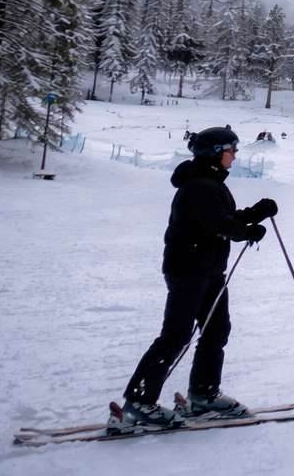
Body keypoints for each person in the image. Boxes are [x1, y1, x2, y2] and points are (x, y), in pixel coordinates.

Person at [113, 126, 274, 432]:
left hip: (209, 270)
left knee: (216, 331)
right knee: (176, 335)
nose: (235, 155)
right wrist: (247, 230)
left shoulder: (211, 182)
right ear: (216, 153)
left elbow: (221, 219)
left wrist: (254, 215)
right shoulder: (201, 185)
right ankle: (139, 400)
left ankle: (203, 394)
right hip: (189, 270)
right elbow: (217, 224)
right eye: (231, 150)